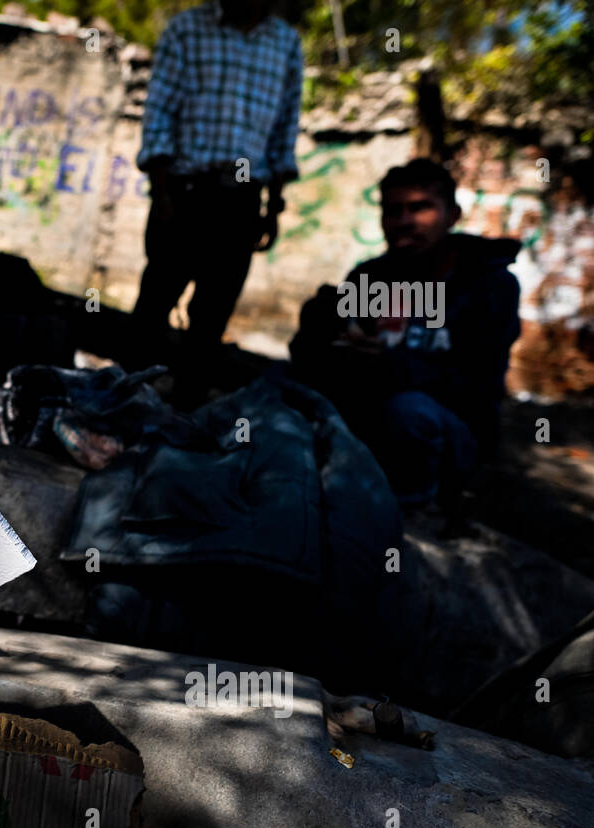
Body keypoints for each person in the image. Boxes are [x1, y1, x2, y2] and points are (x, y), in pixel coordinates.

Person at [290, 159, 522, 522]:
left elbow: (478, 385)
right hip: (372, 422)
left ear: (452, 215)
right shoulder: (371, 276)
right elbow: (315, 365)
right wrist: (318, 331)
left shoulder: (489, 285)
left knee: (409, 411)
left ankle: (416, 516)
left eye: (420, 208)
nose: (405, 221)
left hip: (450, 431)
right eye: (393, 210)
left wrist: (392, 365)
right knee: (280, 388)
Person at [130, 0, 303, 405]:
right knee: (154, 306)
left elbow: (285, 125)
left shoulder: (285, 43)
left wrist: (273, 206)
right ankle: (122, 408)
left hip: (241, 202)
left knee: (210, 320)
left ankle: (184, 418)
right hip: (184, 192)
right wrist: (163, 195)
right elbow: (158, 113)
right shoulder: (186, 30)